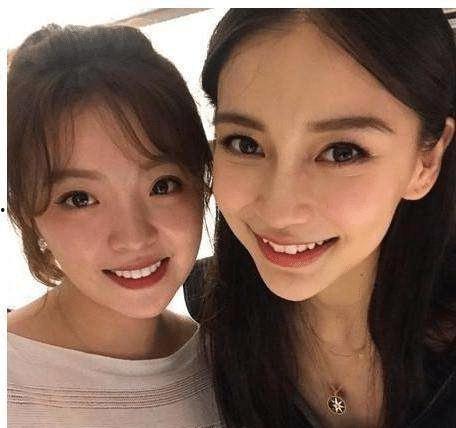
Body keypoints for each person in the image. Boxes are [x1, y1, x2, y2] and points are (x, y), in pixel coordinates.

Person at [193, 9, 456, 428]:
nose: (279, 211)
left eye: (342, 152)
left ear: (425, 161)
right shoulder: (204, 319)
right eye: (244, 144)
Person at [7, 24, 221, 427]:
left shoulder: (228, 363)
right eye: (79, 198)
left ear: (201, 182)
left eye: (162, 185)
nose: (134, 238)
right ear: (27, 210)